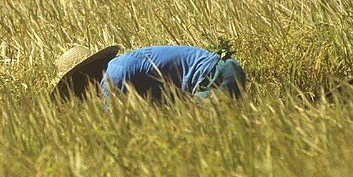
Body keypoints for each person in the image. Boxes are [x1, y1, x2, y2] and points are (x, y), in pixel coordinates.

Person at [52, 44, 246, 103]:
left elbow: (116, 129)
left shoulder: (113, 78)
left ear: (83, 77)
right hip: (224, 70)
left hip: (216, 77)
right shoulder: (118, 68)